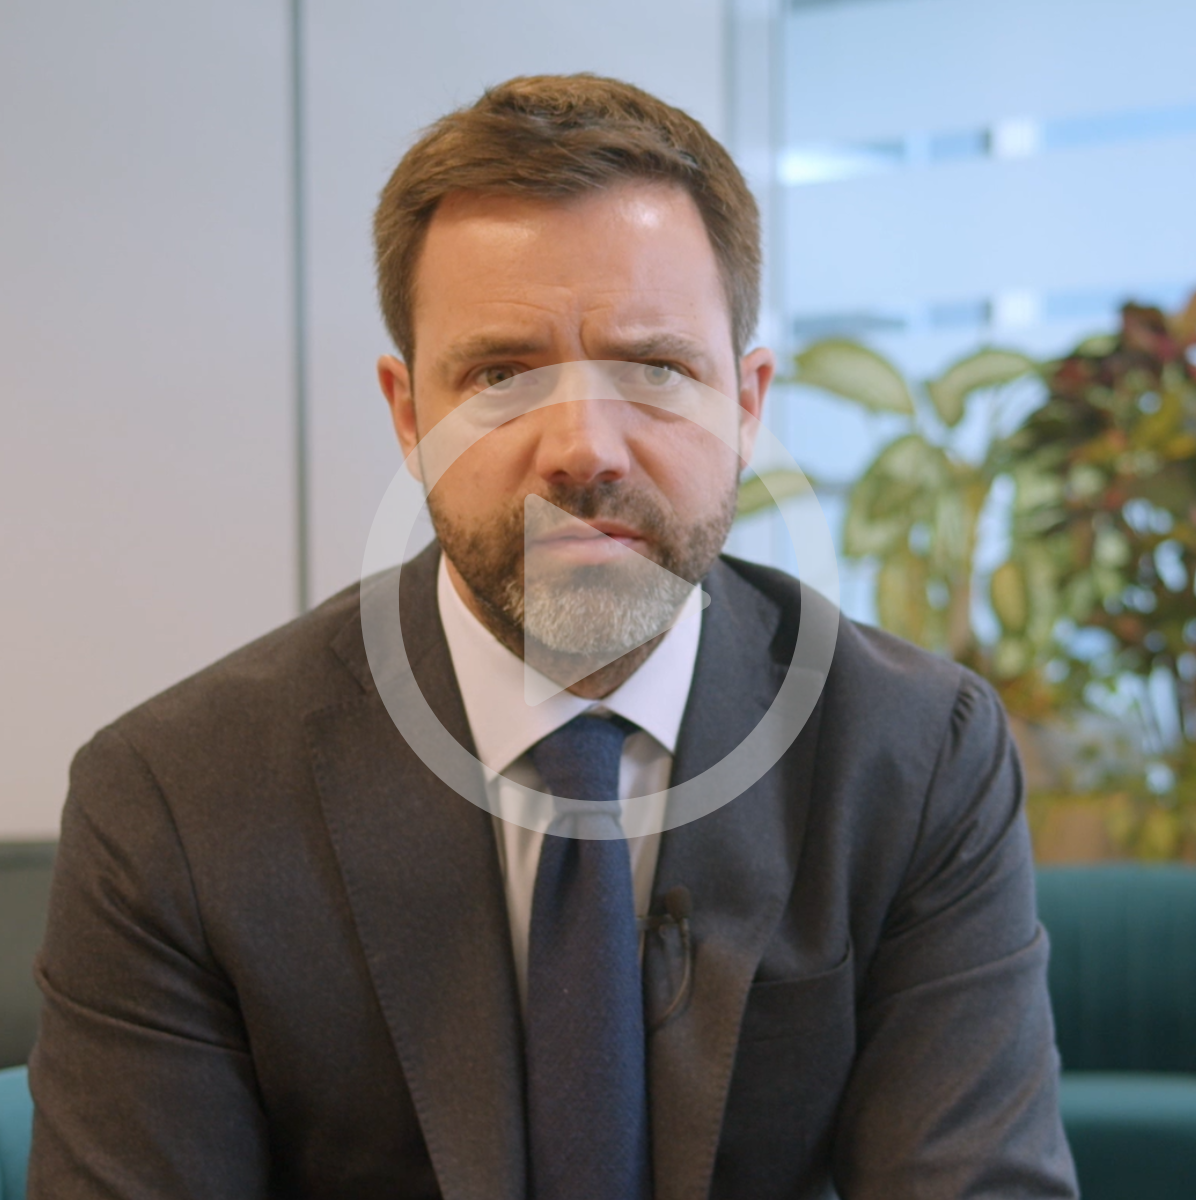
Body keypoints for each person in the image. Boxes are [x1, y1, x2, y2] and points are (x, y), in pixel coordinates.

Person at [27, 74, 1078, 1199]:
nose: (586, 449)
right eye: (502, 375)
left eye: (656, 369)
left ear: (745, 405)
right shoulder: (175, 800)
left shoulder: (917, 753)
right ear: (410, 416)